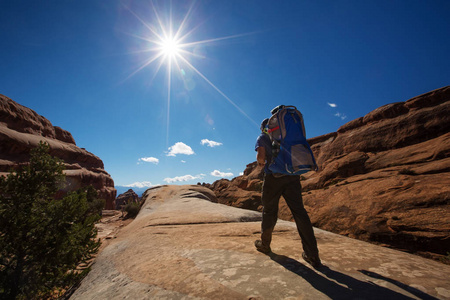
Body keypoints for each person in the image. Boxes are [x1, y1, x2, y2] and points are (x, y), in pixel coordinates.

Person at [254, 117, 322, 269]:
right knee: (299, 213)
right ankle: (313, 255)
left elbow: (261, 158)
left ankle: (265, 245)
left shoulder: (263, 137)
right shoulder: (287, 135)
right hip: (292, 177)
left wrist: (260, 164)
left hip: (273, 178)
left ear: (265, 127)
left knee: (269, 211)